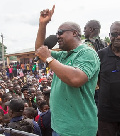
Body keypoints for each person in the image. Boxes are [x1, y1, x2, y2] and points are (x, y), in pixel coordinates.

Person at [35, 4, 100, 136]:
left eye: (60, 32)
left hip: (78, 129)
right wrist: (43, 25)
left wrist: (48, 59)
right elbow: (40, 51)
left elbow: (75, 79)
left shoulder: (87, 53)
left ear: (75, 33)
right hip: (60, 126)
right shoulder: (64, 54)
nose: (57, 36)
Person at [97, 21, 120, 136]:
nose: (118, 37)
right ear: (110, 36)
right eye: (115, 34)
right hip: (106, 115)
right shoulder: (100, 55)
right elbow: (96, 81)